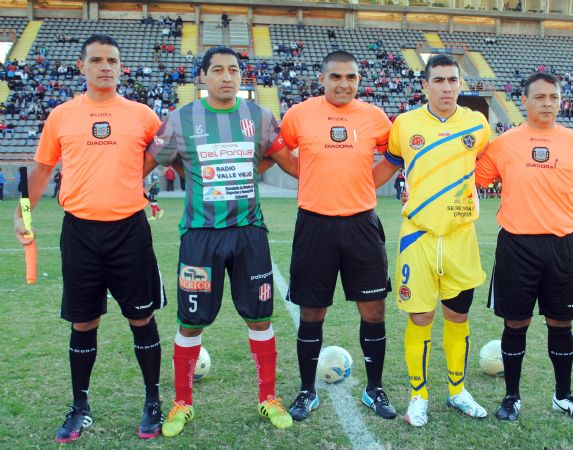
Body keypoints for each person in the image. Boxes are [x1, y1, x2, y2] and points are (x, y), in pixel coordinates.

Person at [12, 34, 167, 443]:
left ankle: (153, 401)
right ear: (81, 66)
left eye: (112, 60)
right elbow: (42, 171)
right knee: (83, 321)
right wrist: (23, 213)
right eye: (96, 60)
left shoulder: (142, 114)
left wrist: (138, 170)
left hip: (129, 230)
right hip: (79, 231)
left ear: (121, 67)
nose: (105, 66)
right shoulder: (62, 115)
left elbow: (162, 152)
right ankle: (80, 406)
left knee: (141, 318)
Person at [146, 46, 298, 437]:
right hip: (199, 236)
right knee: (191, 320)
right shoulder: (181, 119)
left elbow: (279, 159)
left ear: (242, 76)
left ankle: (268, 398)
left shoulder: (260, 117)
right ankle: (182, 402)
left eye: (233, 70)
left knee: (260, 317)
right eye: (218, 70)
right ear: (203, 77)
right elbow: (160, 159)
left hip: (249, 232)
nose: (227, 77)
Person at [475, 72, 573, 423]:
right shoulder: (504, 143)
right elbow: (471, 179)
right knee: (515, 322)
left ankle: (563, 396)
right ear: (525, 101)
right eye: (539, 97)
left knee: (560, 322)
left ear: (560, 99)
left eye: (553, 96)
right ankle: (512, 397)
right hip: (516, 246)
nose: (547, 103)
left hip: (563, 246)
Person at [277, 50, 397, 422]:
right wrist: (307, 176)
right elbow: (279, 150)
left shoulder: (375, 117)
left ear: (359, 80)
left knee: (373, 309)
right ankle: (306, 391)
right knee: (312, 309)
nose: (343, 84)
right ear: (322, 79)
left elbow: (393, 156)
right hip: (315, 223)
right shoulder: (300, 114)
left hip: (362, 223)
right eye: (336, 77)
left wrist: (369, 183)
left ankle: (374, 388)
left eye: (351, 77)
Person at [372, 54, 490, 427]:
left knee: (458, 315)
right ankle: (418, 395)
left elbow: (490, 165)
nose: (446, 87)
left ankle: (457, 391)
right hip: (418, 238)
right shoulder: (405, 124)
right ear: (424, 85)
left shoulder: (477, 124)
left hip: (460, 236)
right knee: (421, 316)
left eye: (452, 80)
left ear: (460, 84)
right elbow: (390, 166)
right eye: (438, 80)